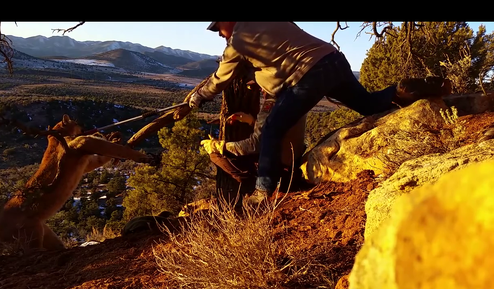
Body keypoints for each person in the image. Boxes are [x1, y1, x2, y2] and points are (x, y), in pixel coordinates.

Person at [188, 22, 452, 206]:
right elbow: (280, 59)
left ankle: (262, 192)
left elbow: (220, 79)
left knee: (272, 129)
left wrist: (196, 99)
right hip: (333, 59)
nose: (220, 35)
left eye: (219, 28)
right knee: (369, 105)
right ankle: (401, 91)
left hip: (310, 74)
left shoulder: (237, 41)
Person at [201, 89, 309, 190]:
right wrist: (253, 122)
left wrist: (219, 146)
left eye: (262, 86)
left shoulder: (272, 102)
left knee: (215, 155)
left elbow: (254, 144)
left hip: (278, 165)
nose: (261, 90)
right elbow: (278, 130)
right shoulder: (294, 98)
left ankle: (254, 184)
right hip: (292, 161)